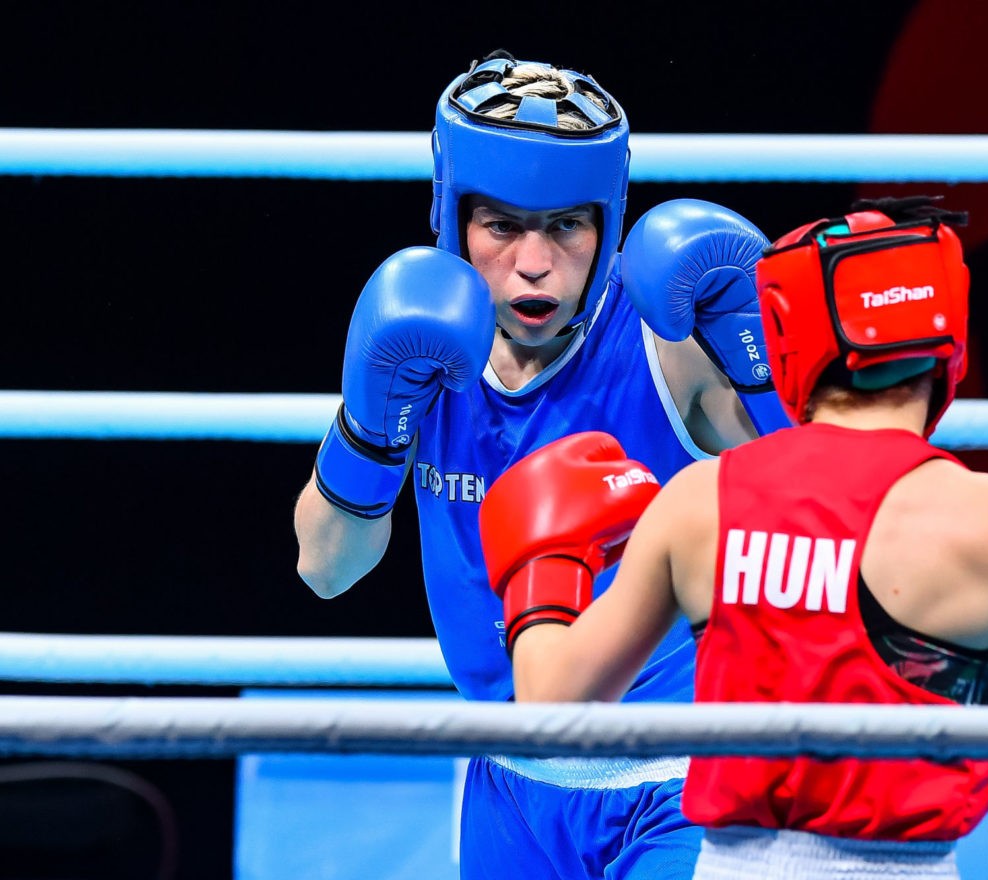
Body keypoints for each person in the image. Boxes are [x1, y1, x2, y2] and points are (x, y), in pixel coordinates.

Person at [480, 197, 988, 879]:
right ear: (950, 341)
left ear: (780, 334)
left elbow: (552, 713)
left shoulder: (698, 503)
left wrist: (543, 570)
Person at [292, 50, 789, 878]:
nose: (534, 260)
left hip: (680, 779)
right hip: (508, 782)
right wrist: (372, 428)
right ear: (454, 221)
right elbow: (324, 569)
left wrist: (762, 358)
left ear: (608, 223)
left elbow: (833, 511)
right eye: (502, 226)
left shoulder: (669, 346)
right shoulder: (417, 349)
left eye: (566, 225)